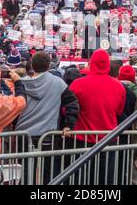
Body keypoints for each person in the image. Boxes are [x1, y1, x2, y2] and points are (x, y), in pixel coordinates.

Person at [15, 51, 79, 184]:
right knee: (46, 173)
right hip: (47, 134)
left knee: (25, 171)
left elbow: (15, 107)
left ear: (32, 64)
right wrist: (69, 125)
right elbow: (73, 103)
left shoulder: (21, 83)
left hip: (24, 133)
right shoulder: (58, 83)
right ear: (49, 65)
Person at [69, 49, 126, 184]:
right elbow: (118, 111)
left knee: (81, 179)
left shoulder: (77, 84)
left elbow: (68, 108)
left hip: (82, 140)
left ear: (91, 63)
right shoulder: (119, 87)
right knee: (105, 179)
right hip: (108, 139)